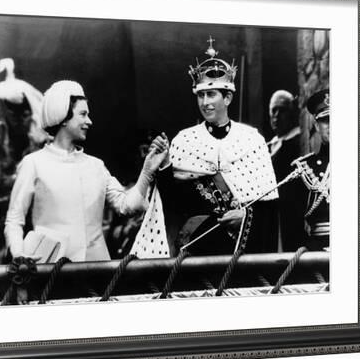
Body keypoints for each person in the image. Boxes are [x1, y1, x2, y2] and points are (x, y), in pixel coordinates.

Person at [132, 37, 278, 258]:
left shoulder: (252, 139)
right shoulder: (185, 140)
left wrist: (245, 217)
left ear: (227, 97)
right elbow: (174, 204)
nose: (205, 102)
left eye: (211, 94)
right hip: (200, 246)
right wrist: (164, 165)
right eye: (200, 95)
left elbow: (269, 205)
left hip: (243, 248)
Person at [4, 80, 167, 263]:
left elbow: (126, 206)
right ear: (63, 117)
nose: (89, 121)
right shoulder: (33, 163)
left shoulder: (96, 166)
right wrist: (19, 255)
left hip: (96, 273)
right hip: (49, 272)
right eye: (83, 114)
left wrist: (147, 172)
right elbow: (14, 220)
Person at [266, 90, 307, 251]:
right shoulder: (270, 146)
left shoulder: (297, 142)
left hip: (291, 214)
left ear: (292, 113)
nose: (276, 116)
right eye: (273, 110)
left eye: (282, 110)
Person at [298, 89, 330, 250]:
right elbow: (294, 226)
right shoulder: (305, 168)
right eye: (326, 120)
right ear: (317, 126)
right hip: (319, 253)